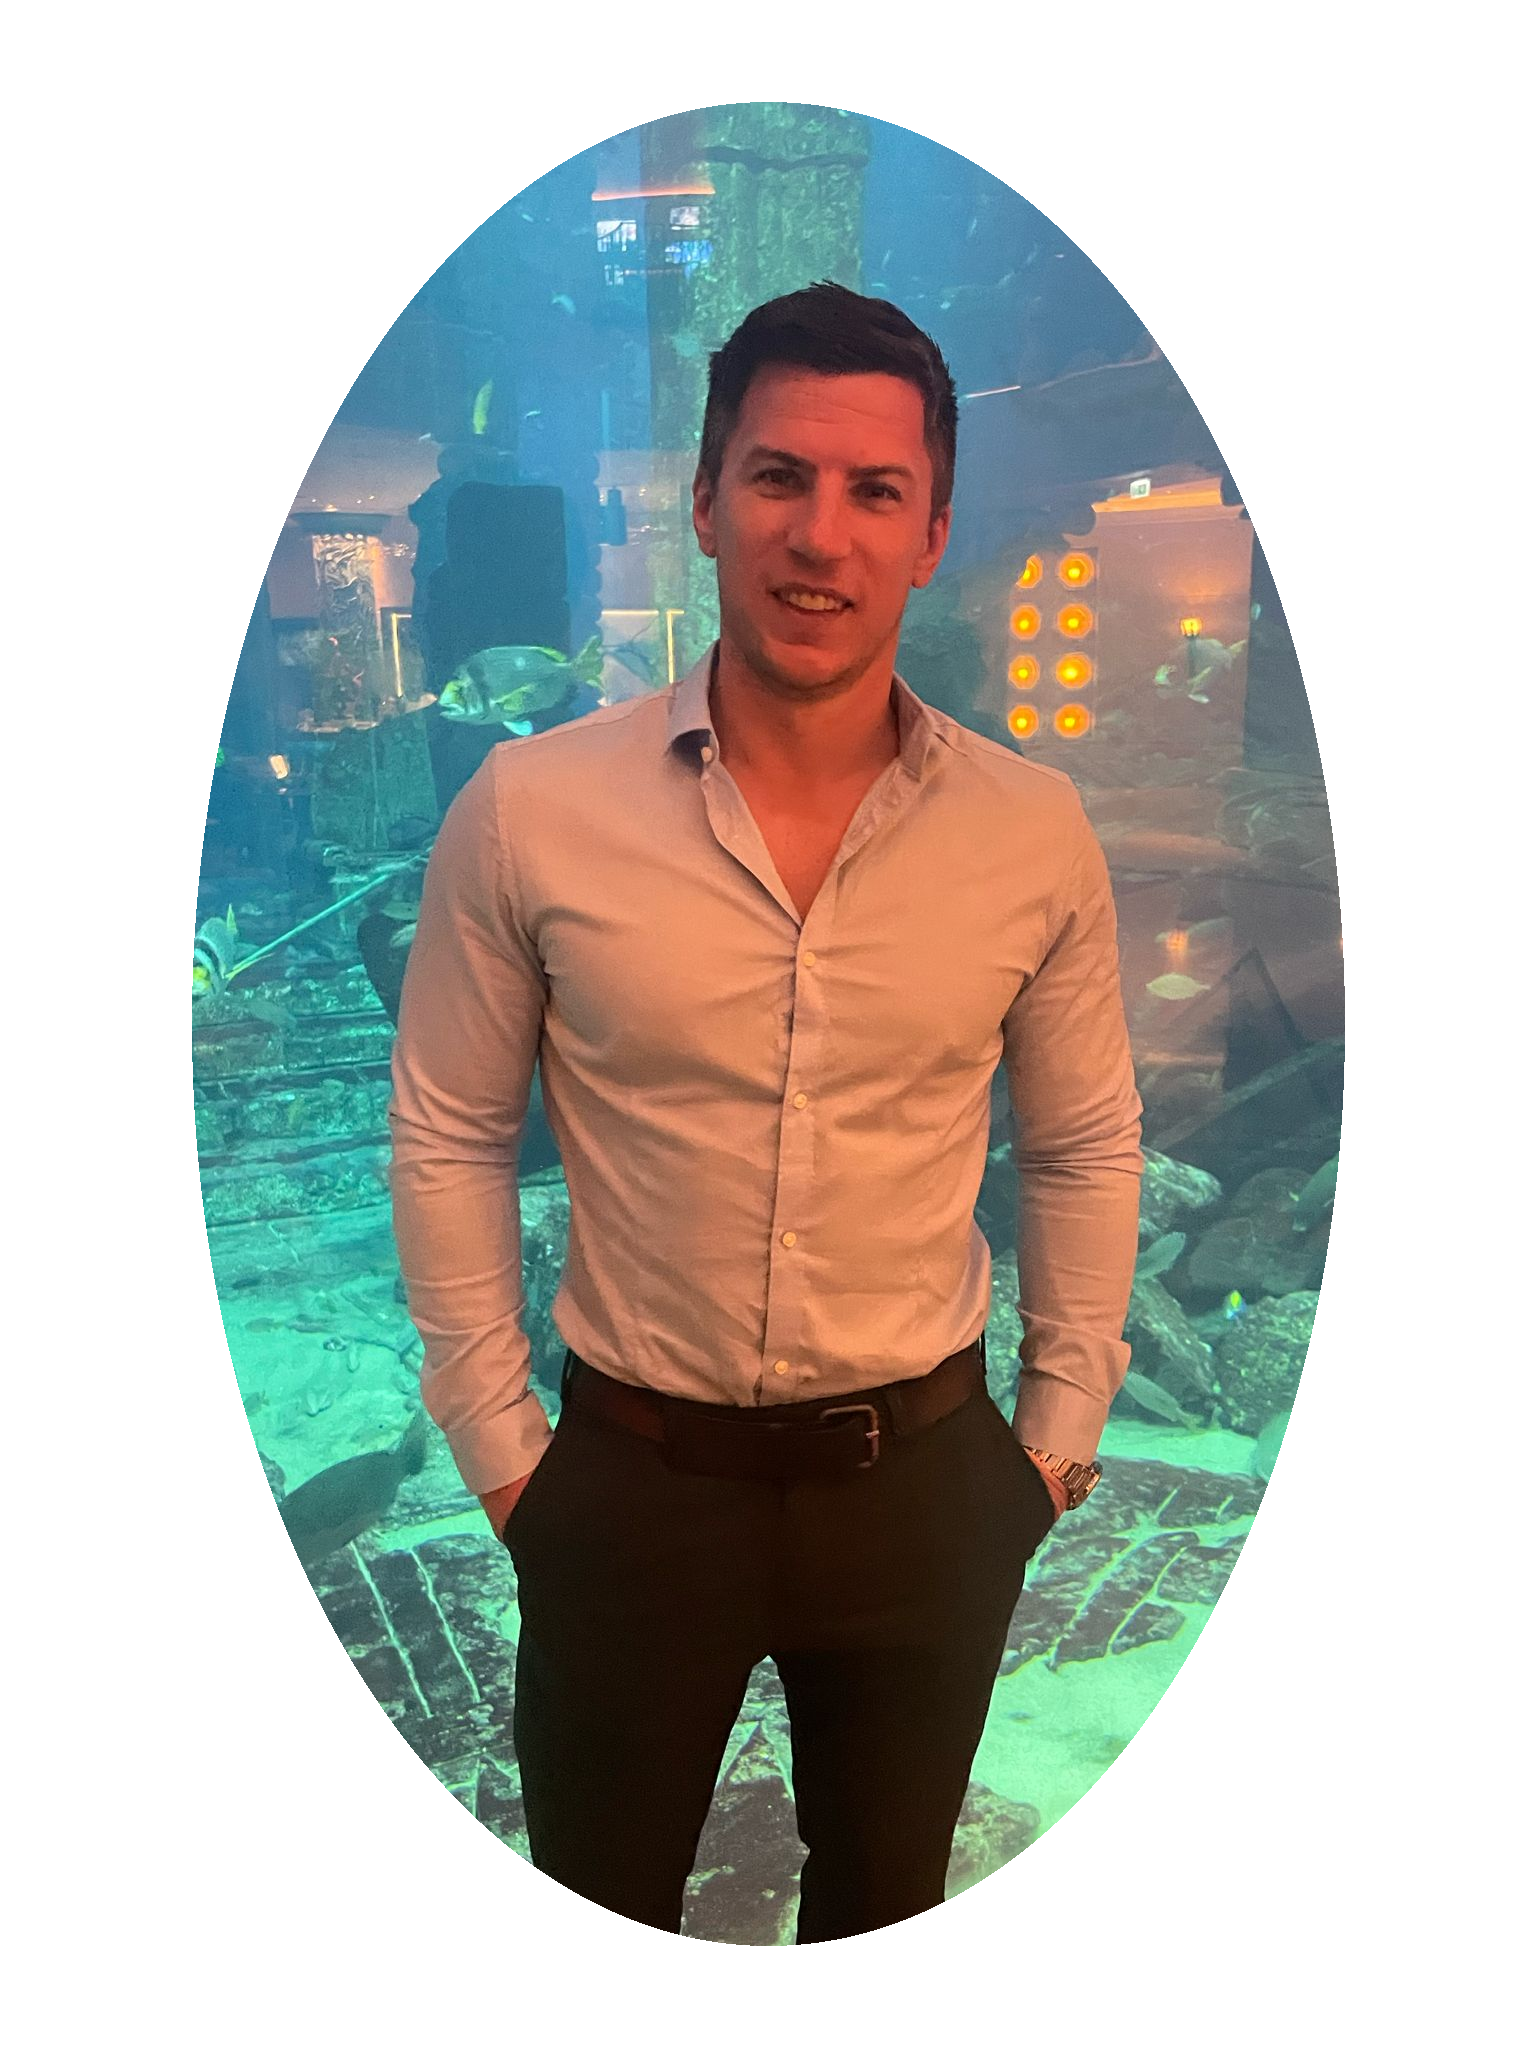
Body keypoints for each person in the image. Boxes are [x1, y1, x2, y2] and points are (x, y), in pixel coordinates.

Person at [388, 281, 1144, 2048]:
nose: (824, 535)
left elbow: (1085, 1140)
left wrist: (1055, 1435)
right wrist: (502, 1445)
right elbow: (447, 1131)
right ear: (707, 501)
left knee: (884, 1943)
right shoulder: (532, 808)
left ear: (933, 532)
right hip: (630, 1484)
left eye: (878, 491)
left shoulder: (1033, 833)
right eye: (780, 476)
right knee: (590, 1947)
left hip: (926, 1480)